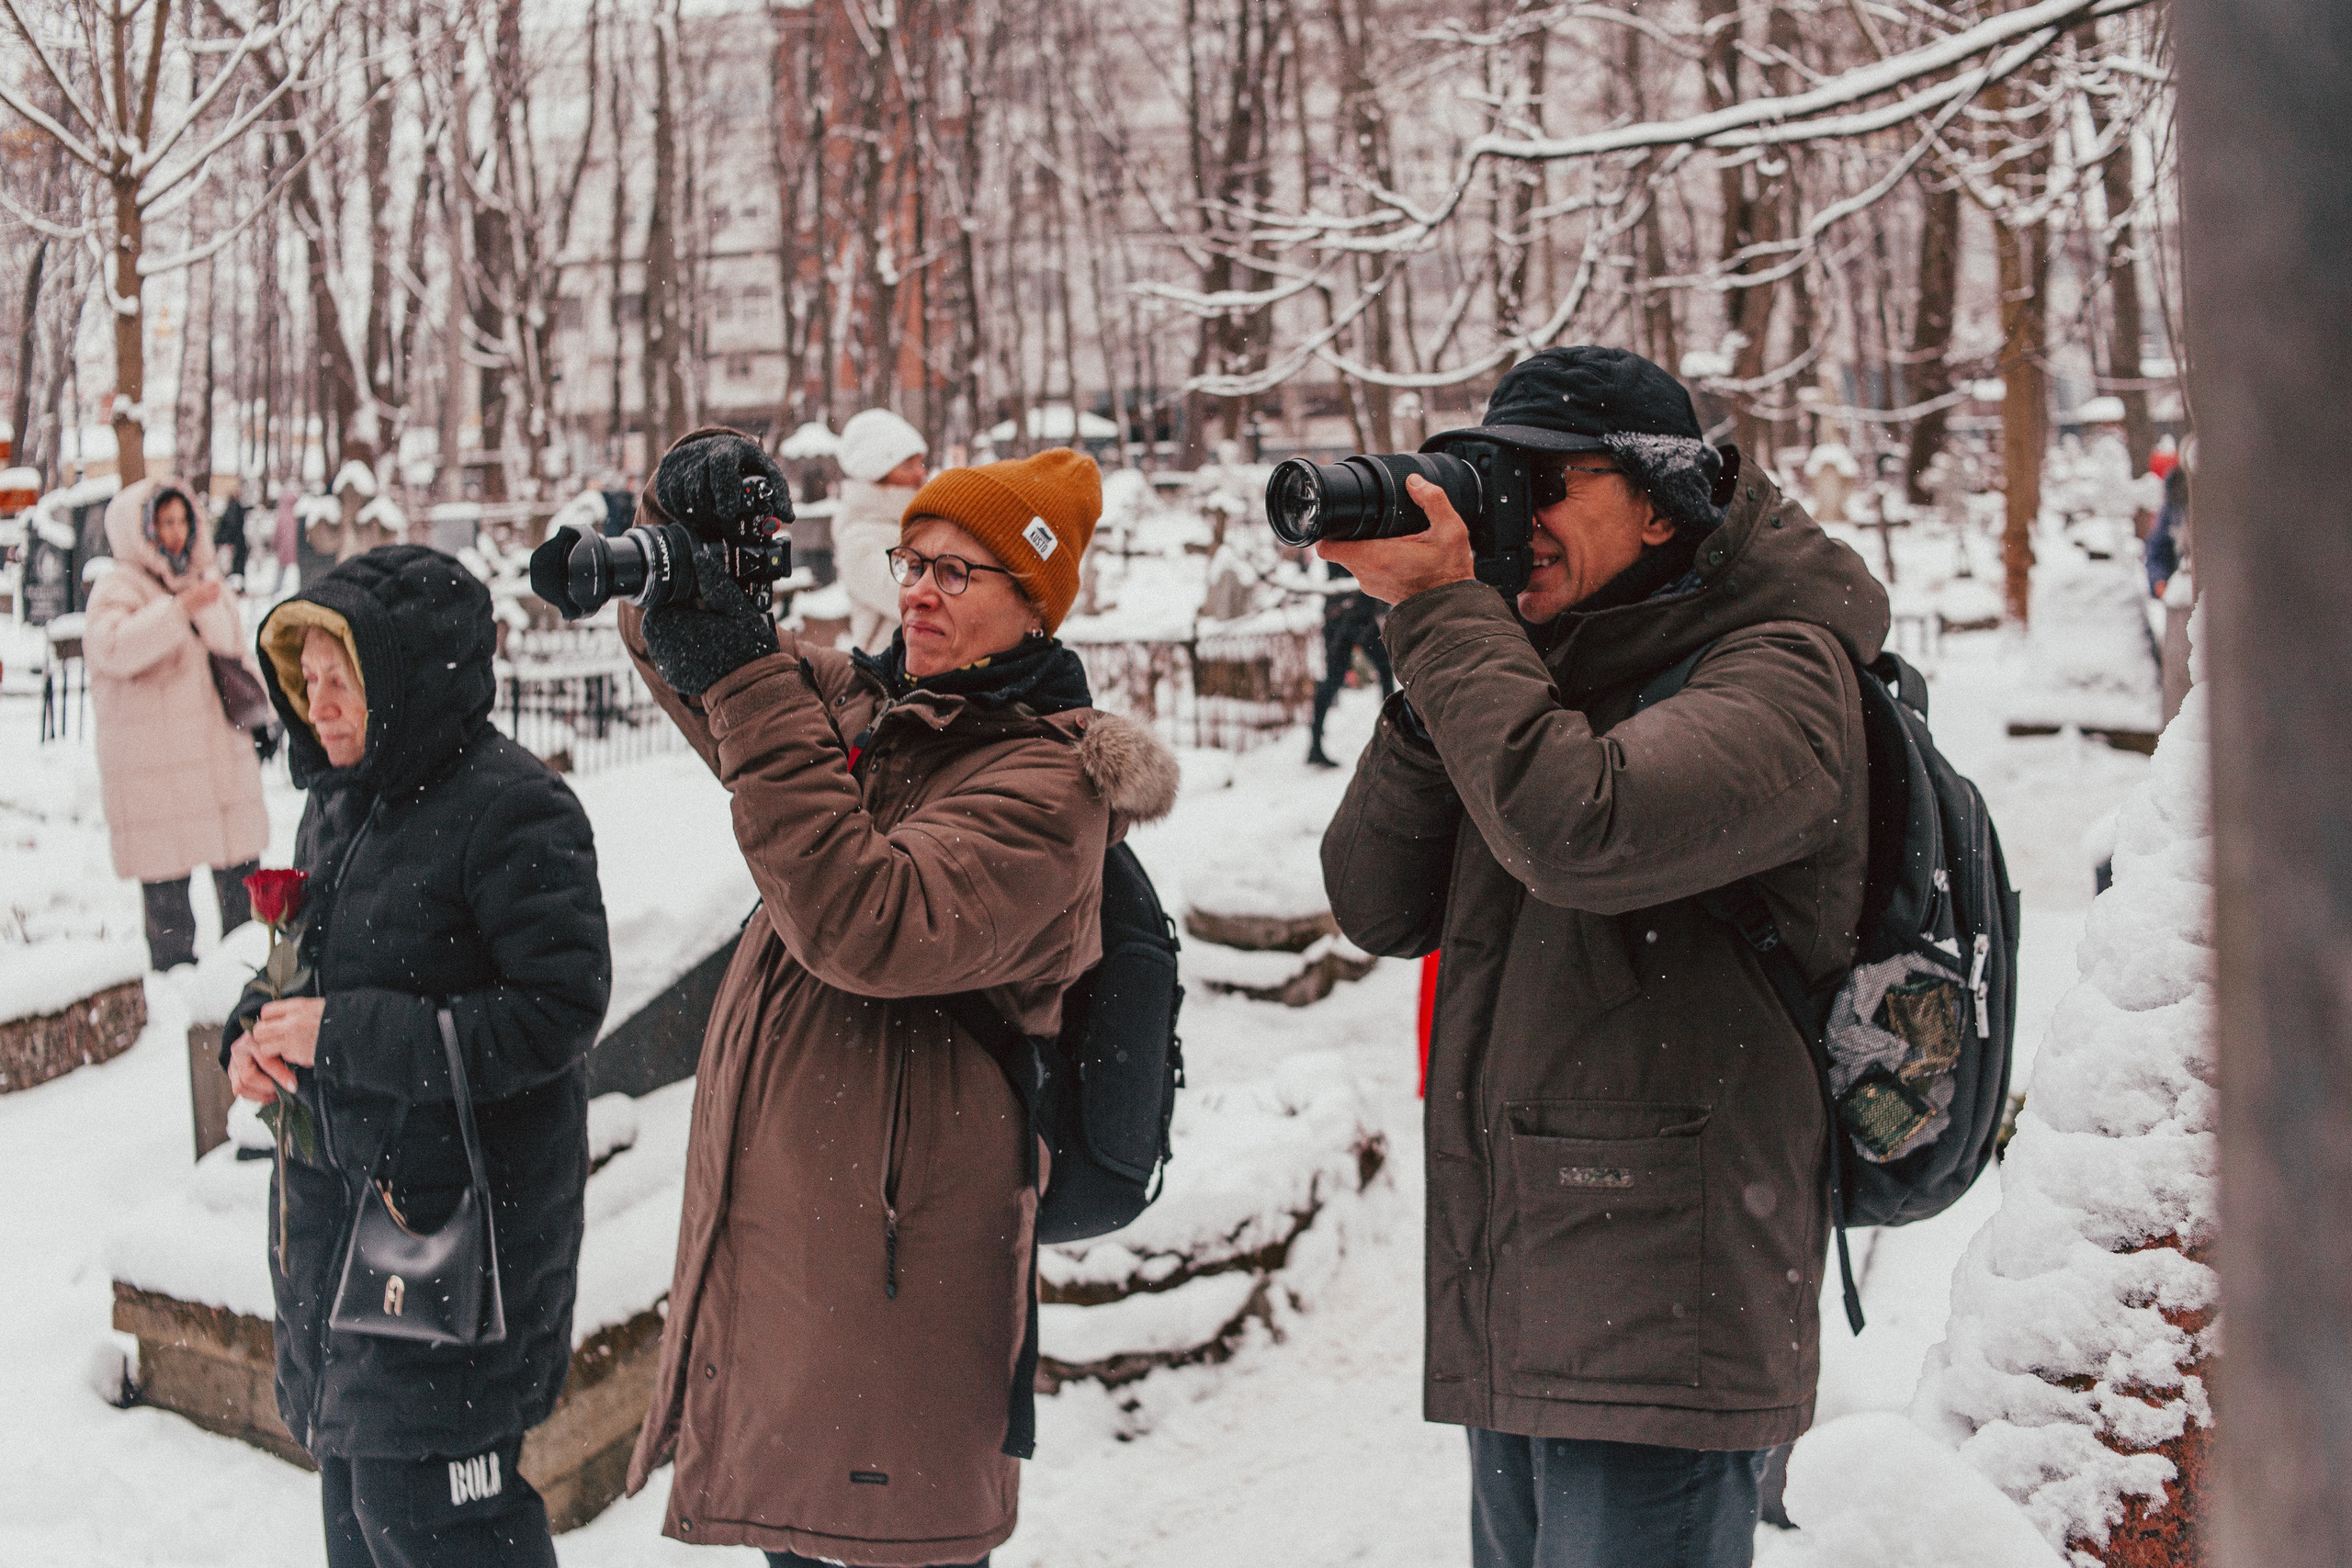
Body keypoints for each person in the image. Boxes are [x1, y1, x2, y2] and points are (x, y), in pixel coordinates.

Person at [1318, 346, 1888, 1568]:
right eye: (1496, 478)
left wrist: (1449, 628)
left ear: (1661, 494)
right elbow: (1372, 899)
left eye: (1549, 483)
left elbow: (1583, 827)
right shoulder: (1528, 668)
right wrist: (1434, 685)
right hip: (1522, 1276)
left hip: (1663, 1310)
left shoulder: (1783, 668)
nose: (1518, 517)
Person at [616, 430, 1178, 1567]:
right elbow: (694, 661)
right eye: (912, 560)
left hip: (900, 1288)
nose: (917, 589)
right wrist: (686, 539)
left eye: (955, 570)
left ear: (1034, 604)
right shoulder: (882, 713)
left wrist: (740, 673)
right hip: (809, 1267)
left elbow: (862, 920)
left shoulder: (1045, 787)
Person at [223, 545, 612, 1568]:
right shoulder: (340, 803)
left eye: (343, 677)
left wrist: (349, 1037)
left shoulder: (514, 807)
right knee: (359, 1522)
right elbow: (306, 971)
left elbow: (556, 1013)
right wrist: (250, 1038)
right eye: (307, 679)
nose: (322, 701)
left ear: (408, 675)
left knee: (436, 1530)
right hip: (331, 1241)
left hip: (455, 1254)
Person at [82, 478, 270, 972]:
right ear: (140, 529)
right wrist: (177, 609)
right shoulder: (119, 586)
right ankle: (175, 986)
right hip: (156, 763)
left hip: (215, 753)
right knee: (165, 882)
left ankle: (249, 971)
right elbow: (113, 647)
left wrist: (203, 604)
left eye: (183, 520)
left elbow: (232, 650)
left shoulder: (204, 576)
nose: (175, 533)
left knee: (240, 876)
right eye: (164, 522)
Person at [832, 407, 929, 651]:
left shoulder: (916, 524)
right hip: (890, 678)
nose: (921, 473)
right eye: (908, 466)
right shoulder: (859, 538)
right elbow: (911, 597)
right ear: (877, 476)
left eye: (921, 462)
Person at [1306, 559, 1396, 767]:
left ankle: (1392, 735)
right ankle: (1315, 745)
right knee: (1335, 680)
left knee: (1382, 671)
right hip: (1345, 616)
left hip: (1355, 615)